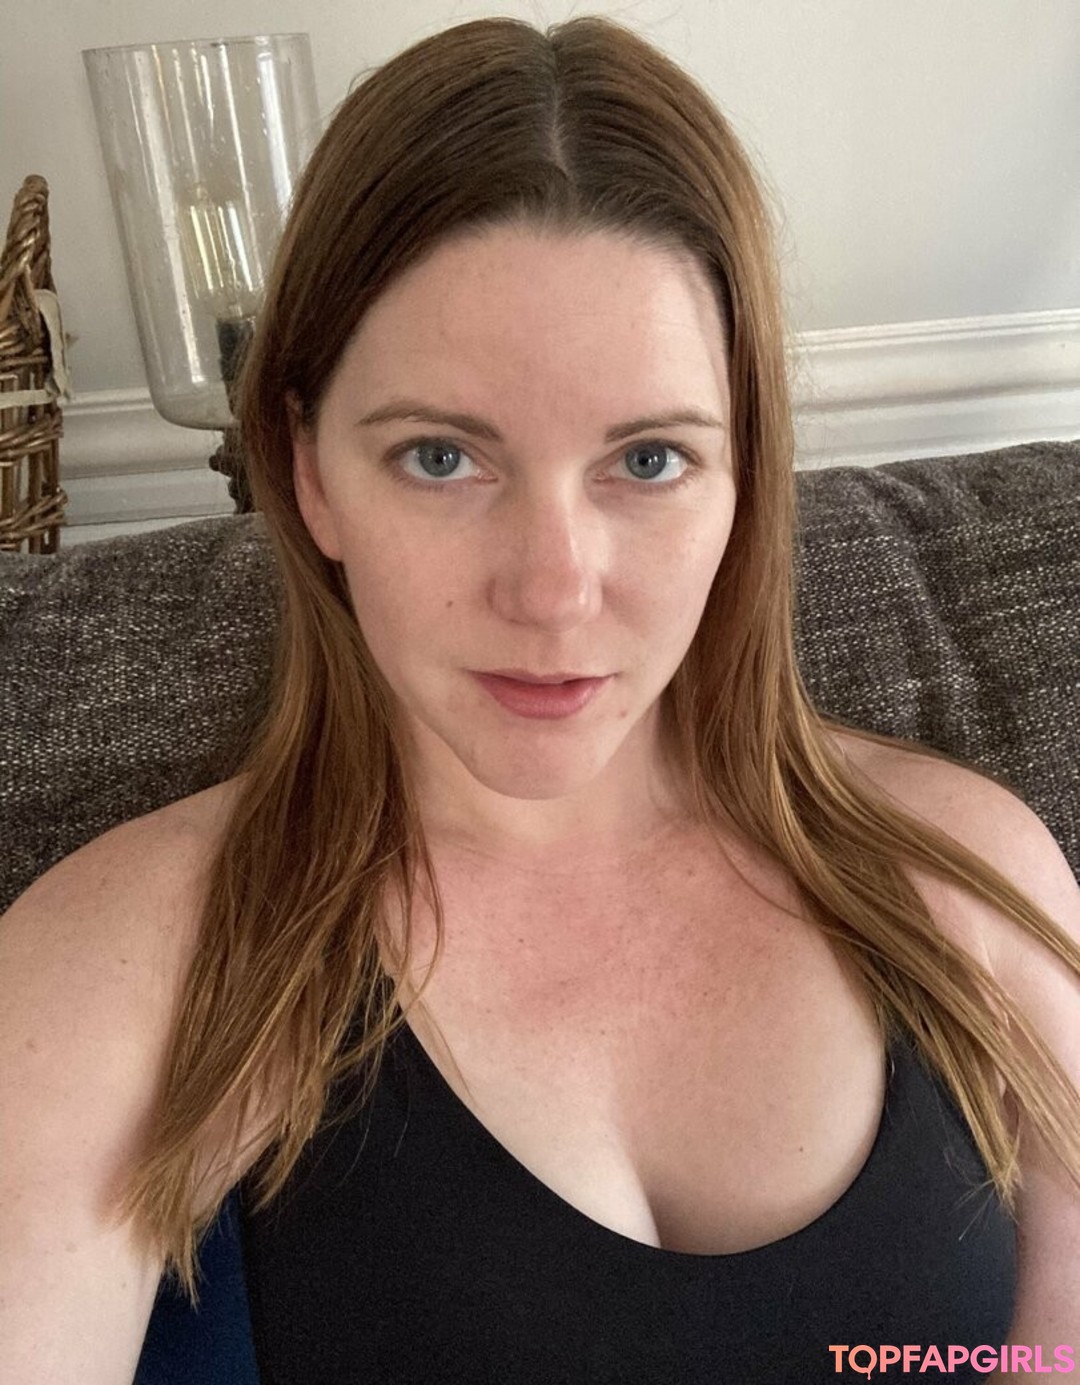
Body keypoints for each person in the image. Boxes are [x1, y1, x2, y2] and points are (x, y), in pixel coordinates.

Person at [2, 15, 1079, 1384]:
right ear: (309, 471)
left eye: (650, 459)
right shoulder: (122, 970)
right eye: (441, 457)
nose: (556, 589)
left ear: (746, 473)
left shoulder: (974, 885)